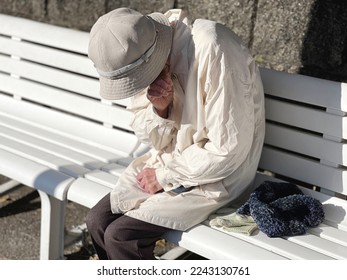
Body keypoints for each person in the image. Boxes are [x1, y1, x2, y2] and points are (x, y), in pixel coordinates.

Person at [86, 7, 265, 260]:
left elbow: (227, 150)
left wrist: (164, 175)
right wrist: (162, 109)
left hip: (219, 178)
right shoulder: (141, 47)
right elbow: (154, 141)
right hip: (173, 164)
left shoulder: (214, 48)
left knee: (121, 236)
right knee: (97, 221)